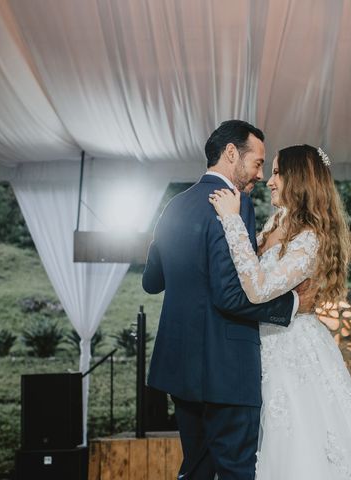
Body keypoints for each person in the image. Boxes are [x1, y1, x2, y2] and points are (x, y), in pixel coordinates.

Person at [209, 144, 351, 479]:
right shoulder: (277, 220)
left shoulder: (310, 238)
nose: (269, 180)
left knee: (300, 443)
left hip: (293, 347)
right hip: (263, 344)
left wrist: (231, 221)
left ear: (299, 179)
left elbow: (259, 288)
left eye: (278, 172)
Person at [142, 120, 312, 480]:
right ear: (231, 153)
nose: (259, 175)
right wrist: (293, 306)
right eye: (258, 163)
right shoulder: (236, 205)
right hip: (227, 370)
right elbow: (230, 295)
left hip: (180, 369)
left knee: (197, 467)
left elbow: (151, 281)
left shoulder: (174, 206)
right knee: (236, 470)